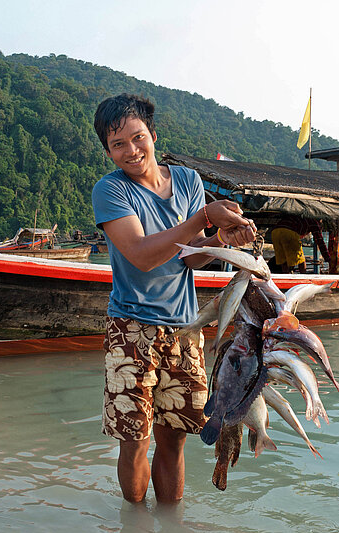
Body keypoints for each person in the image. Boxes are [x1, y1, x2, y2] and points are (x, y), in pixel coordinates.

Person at [91, 93, 256, 504]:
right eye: (118, 145)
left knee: (175, 438)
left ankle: (171, 527)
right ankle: (136, 526)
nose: (131, 150)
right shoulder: (110, 191)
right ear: (108, 151)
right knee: (135, 440)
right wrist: (203, 217)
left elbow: (191, 255)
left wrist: (222, 238)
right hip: (131, 330)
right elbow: (144, 255)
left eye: (137, 137)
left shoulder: (186, 180)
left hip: (186, 329)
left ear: (152, 134)